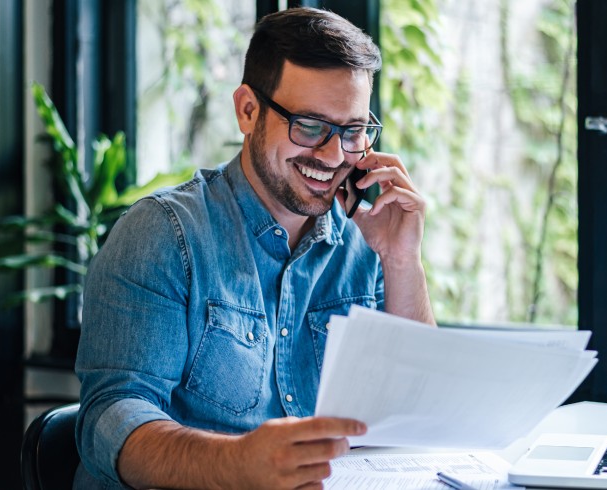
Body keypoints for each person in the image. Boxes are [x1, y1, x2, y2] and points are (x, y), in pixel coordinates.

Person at [73, 7, 435, 489]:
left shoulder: (365, 240)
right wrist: (237, 464)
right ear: (248, 110)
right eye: (309, 125)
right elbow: (110, 419)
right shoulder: (162, 235)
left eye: (351, 131)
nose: (333, 156)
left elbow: (420, 409)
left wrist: (402, 260)